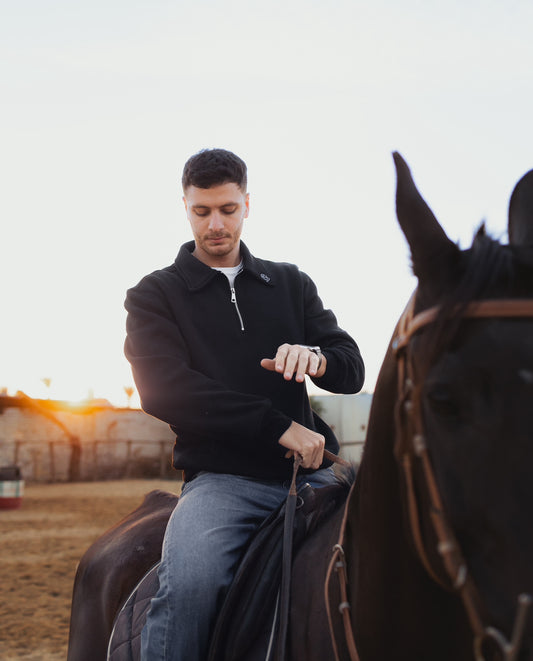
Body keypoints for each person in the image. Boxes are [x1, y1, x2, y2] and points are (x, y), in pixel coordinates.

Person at [124, 148, 365, 661]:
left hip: (317, 475)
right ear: (185, 208)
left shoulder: (292, 282)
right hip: (223, 482)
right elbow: (164, 389)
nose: (216, 224)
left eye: (228, 209)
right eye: (202, 211)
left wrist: (317, 359)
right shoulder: (154, 294)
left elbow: (353, 367)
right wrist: (280, 428)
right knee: (188, 588)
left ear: (247, 205)